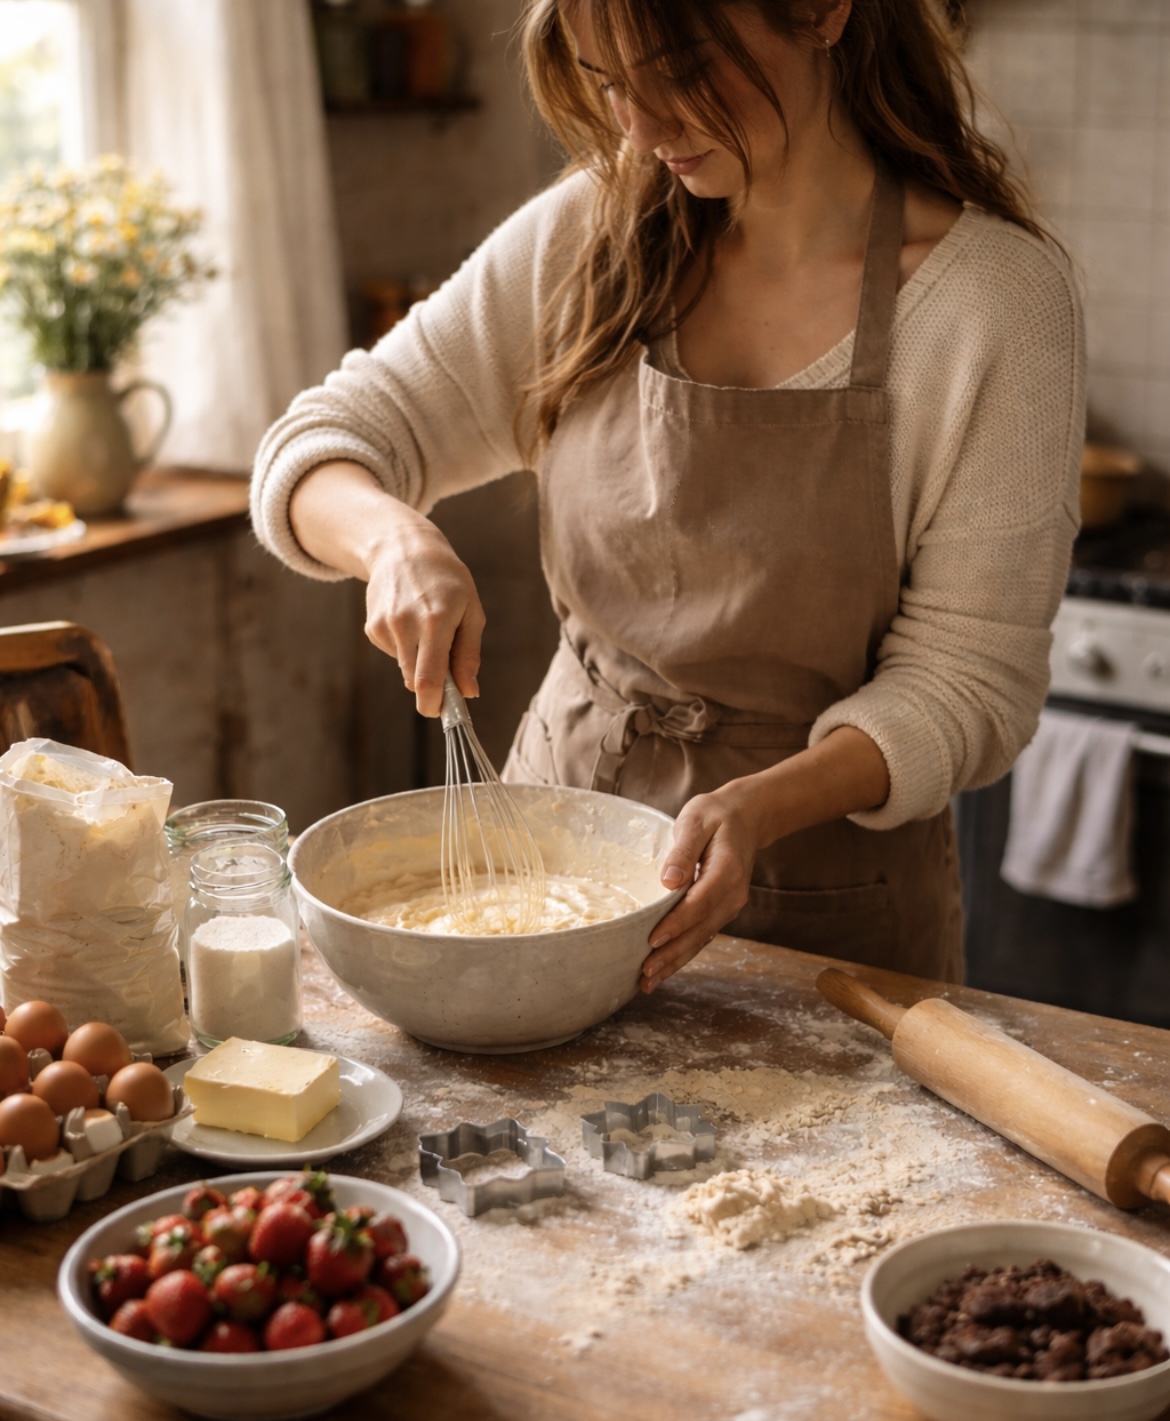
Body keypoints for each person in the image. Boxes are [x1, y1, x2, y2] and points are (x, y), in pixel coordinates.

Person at [252, 0, 1084, 994]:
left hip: (830, 914)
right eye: (608, 84)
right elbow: (322, 443)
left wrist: (758, 807)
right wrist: (391, 538)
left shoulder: (992, 304)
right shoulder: (590, 234)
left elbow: (968, 679)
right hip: (544, 873)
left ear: (821, 11)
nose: (639, 130)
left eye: (677, 70)